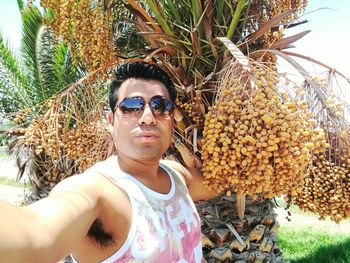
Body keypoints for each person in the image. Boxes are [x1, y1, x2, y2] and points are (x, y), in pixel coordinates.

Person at [0, 61, 220, 263]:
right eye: (131, 106)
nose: (147, 117)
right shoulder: (97, 191)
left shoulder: (177, 176)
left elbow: (225, 181)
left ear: (173, 119)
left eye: (160, 106)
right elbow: (36, 235)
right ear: (110, 121)